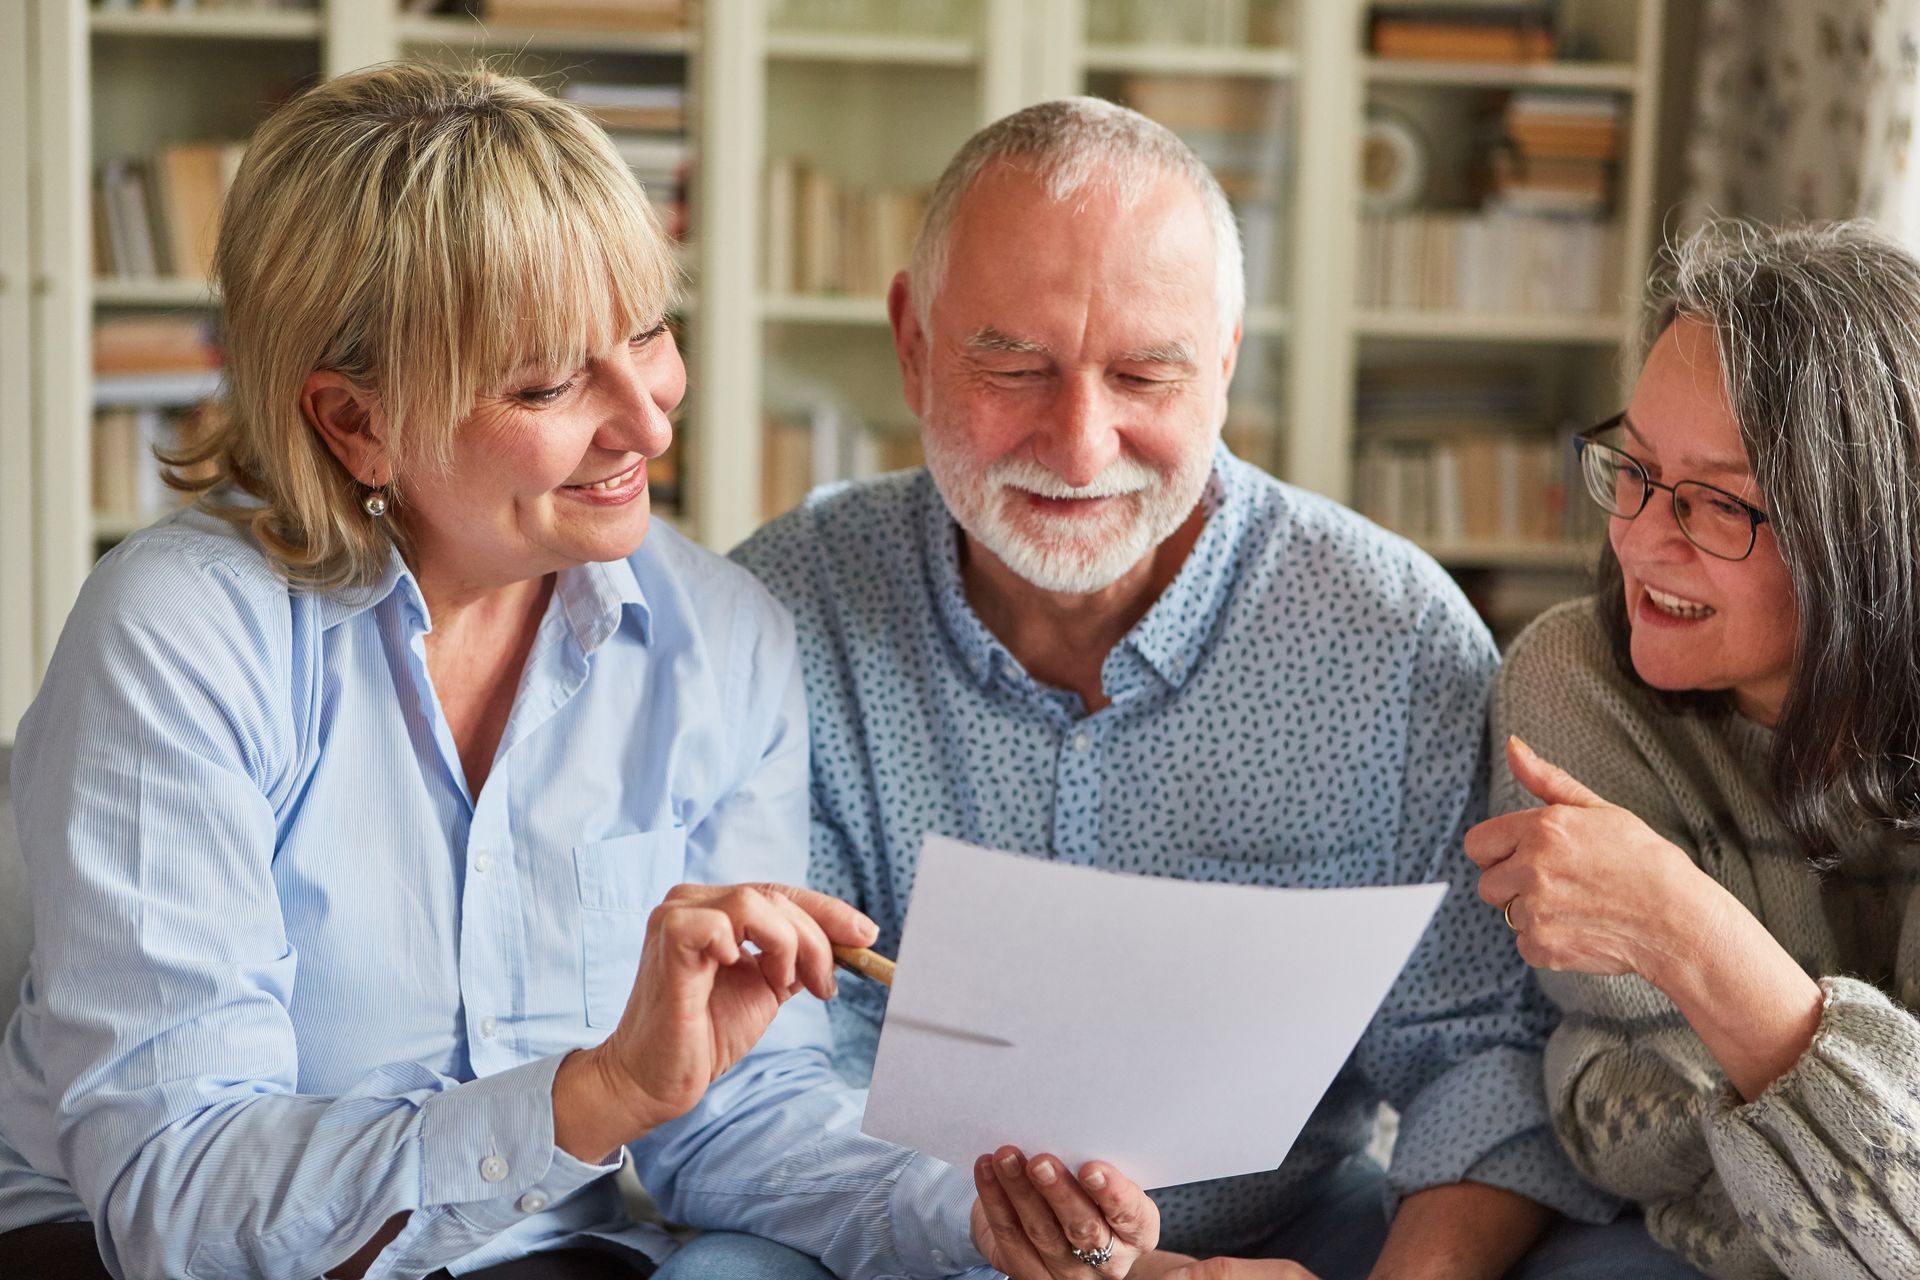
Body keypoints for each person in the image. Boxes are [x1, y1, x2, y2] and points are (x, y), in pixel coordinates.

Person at [0, 64, 1143, 1280]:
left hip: (541, 1254)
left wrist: (971, 1214)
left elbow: (734, 1116)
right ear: (355, 422)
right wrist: (590, 1096)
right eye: (547, 381)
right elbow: (177, 1198)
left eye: (647, 331)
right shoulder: (182, 630)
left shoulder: (719, 637)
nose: (648, 421)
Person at [733, 97, 1693, 1280]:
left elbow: (1475, 1055)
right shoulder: (777, 614)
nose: (1080, 447)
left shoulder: (1390, 638)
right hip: (892, 1235)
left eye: (1145, 373)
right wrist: (996, 1240)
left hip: (1283, 1237)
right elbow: (763, 1076)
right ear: (914, 340)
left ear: (1227, 357)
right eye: (1015, 364)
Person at [1468, 220, 1920, 1280]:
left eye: (1717, 502)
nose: (1636, 536)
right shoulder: (1574, 683)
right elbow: (1617, 1128)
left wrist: (1686, 928)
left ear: (1869, 530)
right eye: (1635, 467)